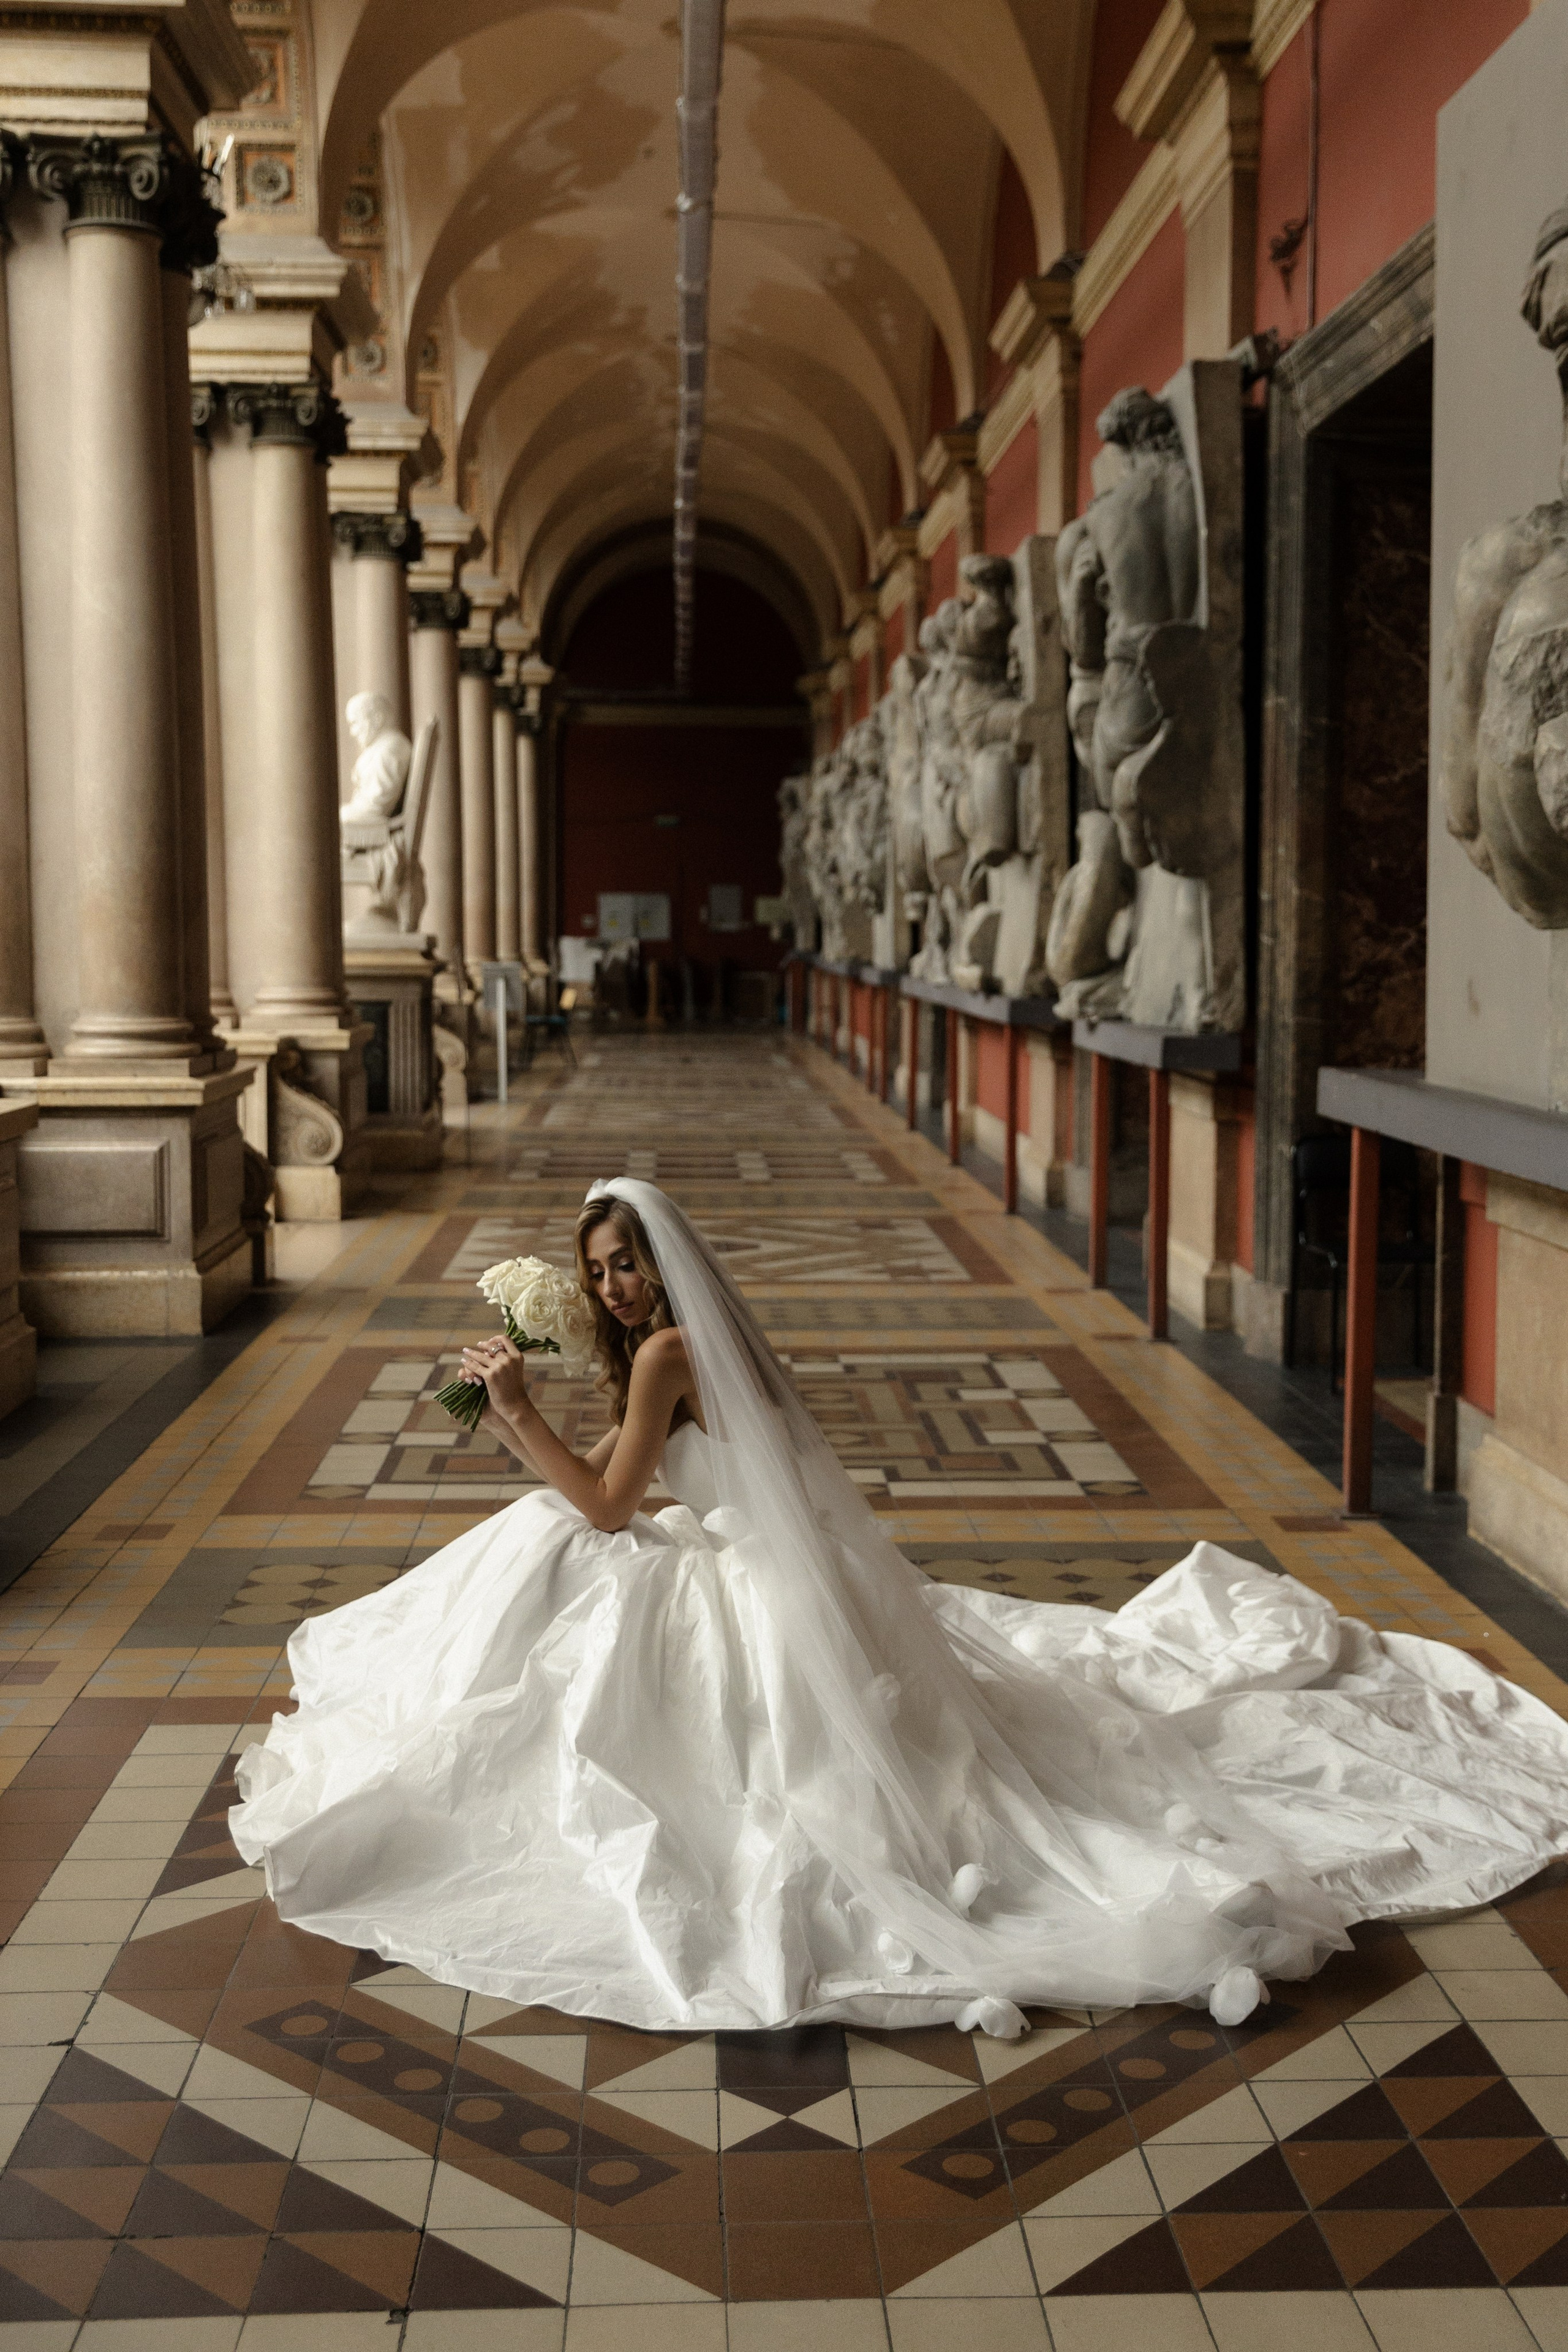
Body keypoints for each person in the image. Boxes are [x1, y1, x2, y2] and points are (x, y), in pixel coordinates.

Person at [232, 1180, 1568, 2040]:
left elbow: (601, 1505)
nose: (618, 1281)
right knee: (555, 1573)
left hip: (737, 1576)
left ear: (664, 1266)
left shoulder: (666, 1349)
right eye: (601, 1264)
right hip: (752, 1554)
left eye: (631, 1258)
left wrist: (513, 1414)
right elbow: (657, 1488)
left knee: (550, 1558)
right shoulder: (690, 1341)